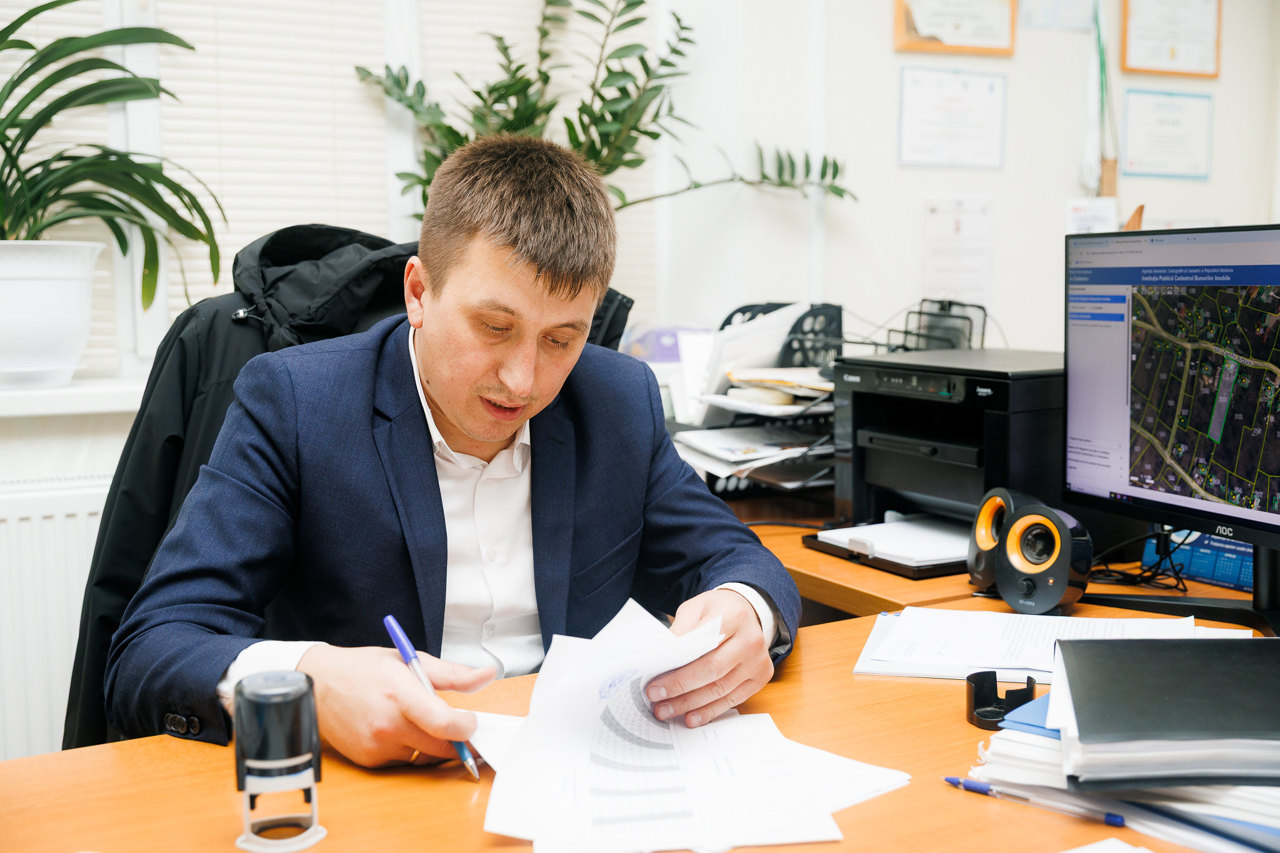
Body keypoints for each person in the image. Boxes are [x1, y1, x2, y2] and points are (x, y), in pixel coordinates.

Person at [105, 135, 801, 769]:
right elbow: (155, 644)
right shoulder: (297, 402)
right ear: (418, 291)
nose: (523, 380)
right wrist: (309, 680)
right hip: (387, 789)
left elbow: (736, 559)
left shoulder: (615, 400)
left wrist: (746, 610)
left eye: (561, 339)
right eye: (494, 327)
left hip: (576, 773)